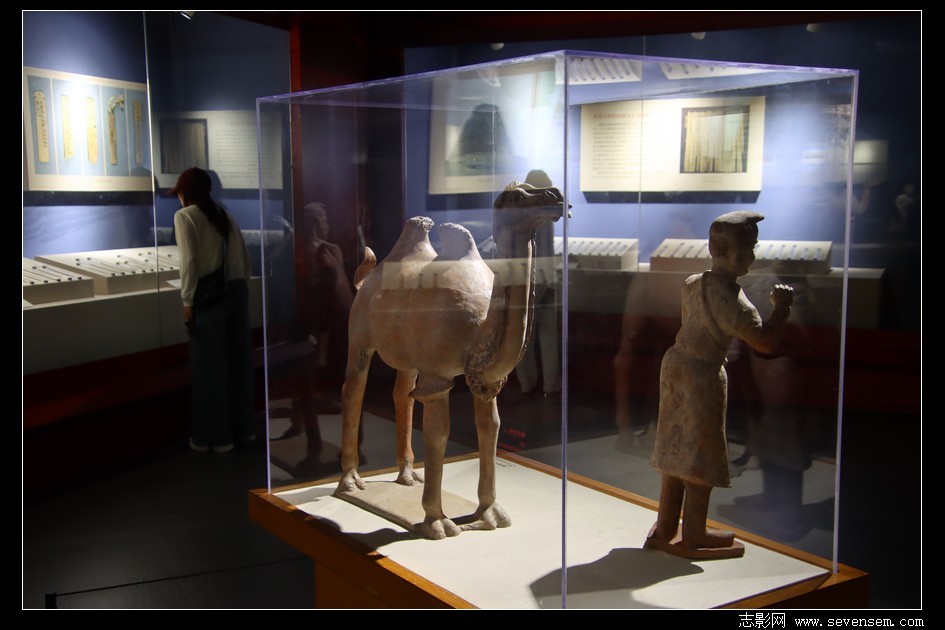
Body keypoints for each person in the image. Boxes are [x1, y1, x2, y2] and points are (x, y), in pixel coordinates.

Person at [646, 210, 793, 558]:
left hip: (675, 365)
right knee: (700, 455)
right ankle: (693, 534)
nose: (752, 256)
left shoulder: (693, 282)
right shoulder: (731, 299)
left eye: (753, 247)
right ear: (723, 251)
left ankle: (666, 527)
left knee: (674, 448)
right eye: (747, 248)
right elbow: (764, 342)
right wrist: (782, 308)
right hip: (701, 374)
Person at [172, 167, 255, 453]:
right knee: (239, 366)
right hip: (236, 292)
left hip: (209, 298)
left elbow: (189, 263)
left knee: (209, 370)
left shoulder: (185, 216)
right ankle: (243, 431)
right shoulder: (224, 215)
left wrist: (187, 301)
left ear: (185, 193)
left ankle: (216, 438)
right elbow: (244, 258)